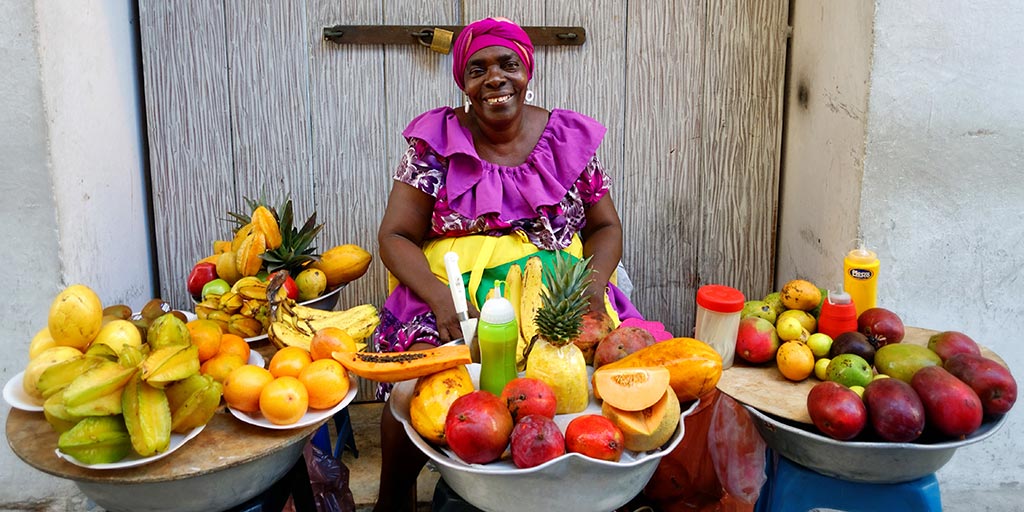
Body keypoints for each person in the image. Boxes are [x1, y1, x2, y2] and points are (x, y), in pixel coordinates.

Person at [371, 17, 642, 511]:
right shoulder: (437, 143)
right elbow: (394, 236)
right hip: (455, 295)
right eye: (478, 69)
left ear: (526, 72)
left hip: (558, 296)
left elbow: (606, 228)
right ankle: (394, 501)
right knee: (412, 396)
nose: (494, 78)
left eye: (507, 65)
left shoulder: (566, 138)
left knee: (602, 386)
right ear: (464, 83)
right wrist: (436, 296)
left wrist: (593, 286)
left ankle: (581, 493)